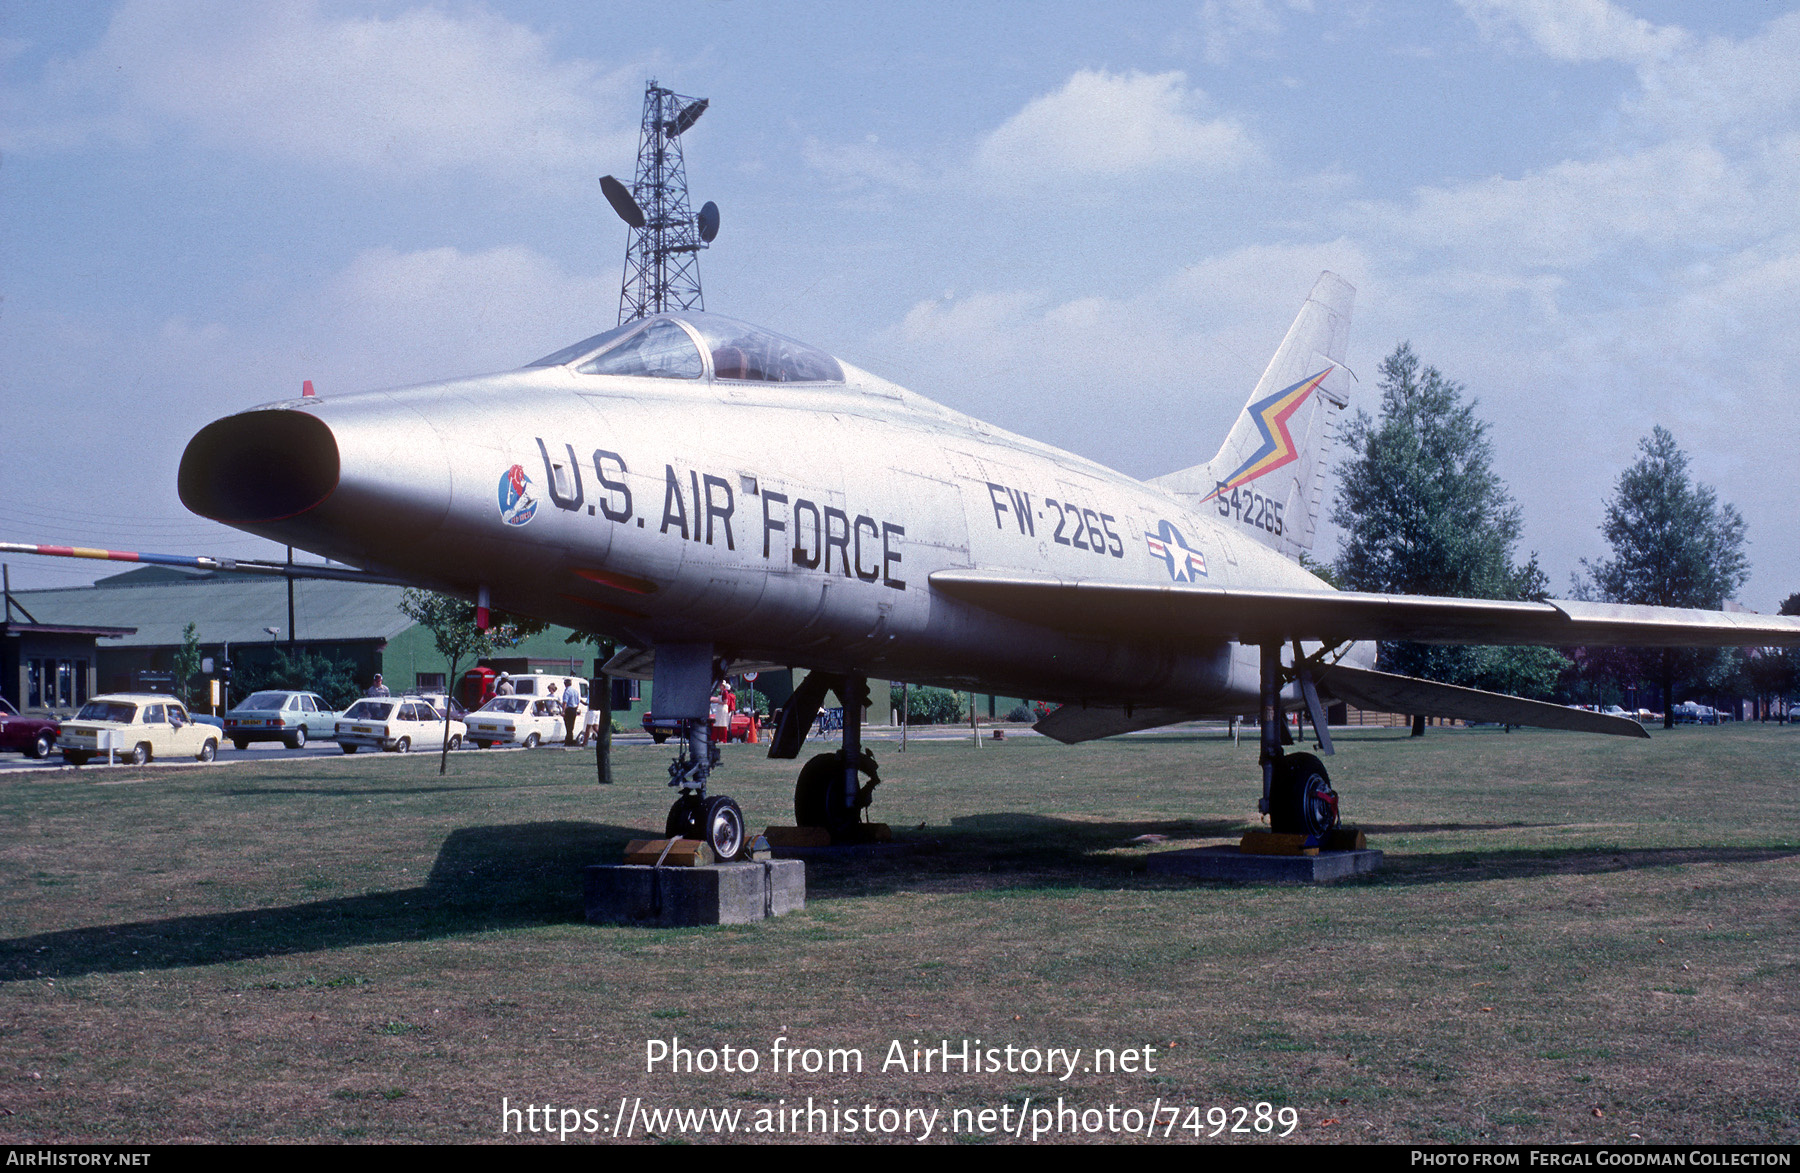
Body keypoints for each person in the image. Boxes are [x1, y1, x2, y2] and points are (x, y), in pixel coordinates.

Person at [560, 678, 582, 745]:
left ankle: (568, 741)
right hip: (574, 709)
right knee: (571, 726)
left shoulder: (567, 691)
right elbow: (578, 702)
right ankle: (570, 740)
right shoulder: (575, 691)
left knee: (568, 726)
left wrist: (563, 711)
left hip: (569, 709)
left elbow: (565, 702)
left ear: (565, 684)